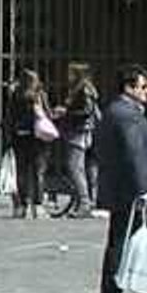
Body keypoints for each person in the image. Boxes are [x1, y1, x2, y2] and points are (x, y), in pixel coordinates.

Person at [93, 65, 147, 293]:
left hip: (119, 187)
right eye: (143, 87)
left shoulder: (114, 110)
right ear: (129, 87)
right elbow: (134, 155)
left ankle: (113, 291)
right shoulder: (128, 115)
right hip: (128, 190)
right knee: (122, 241)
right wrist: (143, 189)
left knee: (119, 239)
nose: (146, 91)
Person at [2, 68, 52, 219]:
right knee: (38, 172)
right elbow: (47, 114)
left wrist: (9, 135)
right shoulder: (39, 95)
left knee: (21, 172)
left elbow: (9, 117)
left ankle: (22, 206)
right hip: (37, 137)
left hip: (20, 136)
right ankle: (38, 206)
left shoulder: (16, 95)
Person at [56, 62, 100, 218]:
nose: (68, 76)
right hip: (81, 131)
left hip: (79, 132)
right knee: (82, 168)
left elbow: (86, 111)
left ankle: (84, 202)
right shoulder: (82, 88)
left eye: (70, 73)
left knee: (75, 167)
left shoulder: (83, 89)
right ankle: (85, 201)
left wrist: (66, 112)